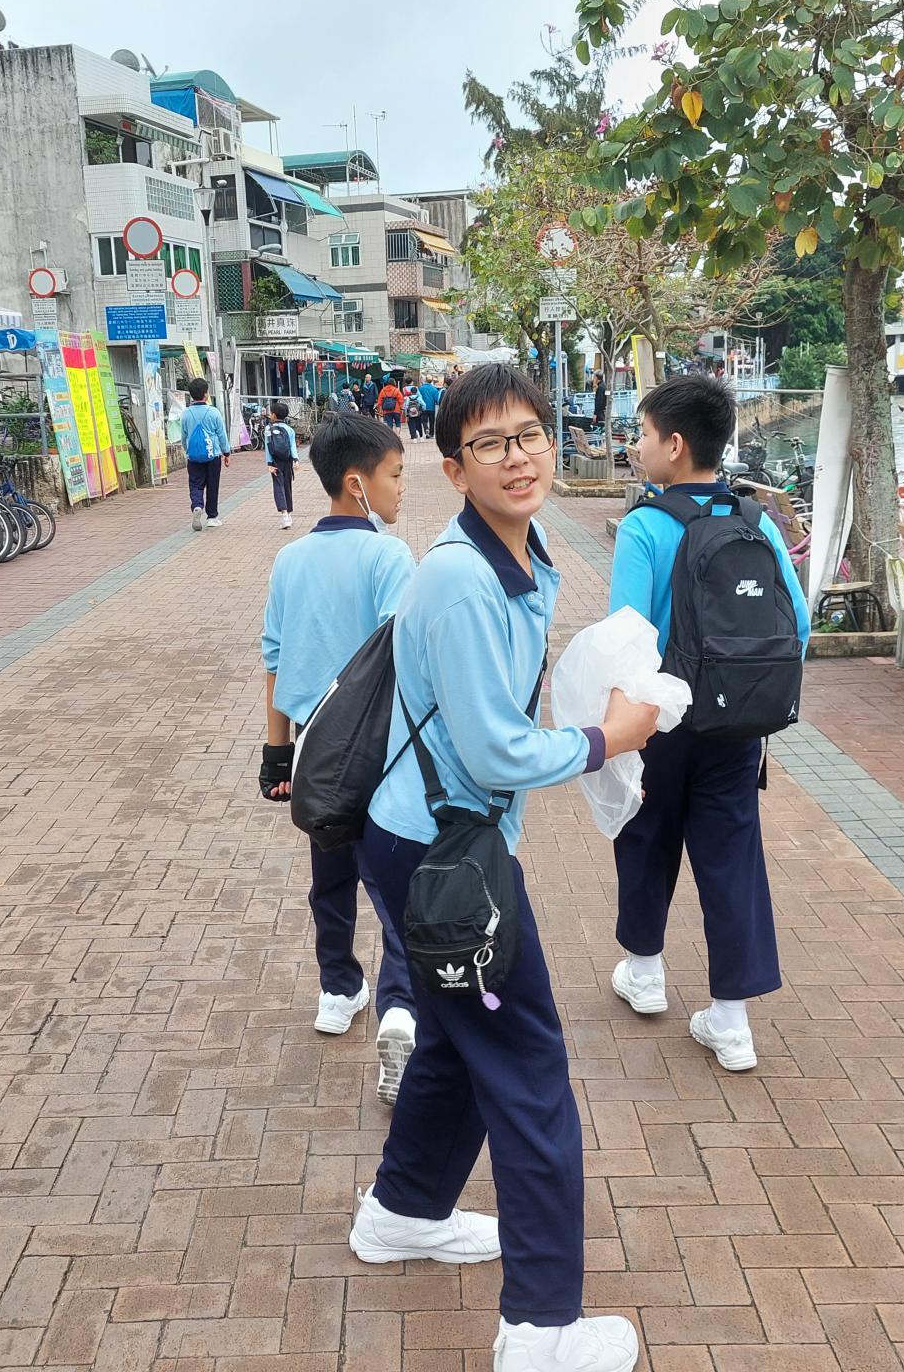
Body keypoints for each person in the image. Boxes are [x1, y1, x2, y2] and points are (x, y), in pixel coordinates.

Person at [348, 364, 660, 1372]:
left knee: (454, 1038)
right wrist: (608, 739)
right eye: (490, 443)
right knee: (527, 1070)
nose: (517, 457)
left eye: (529, 435)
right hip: (444, 854)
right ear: (454, 468)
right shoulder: (460, 577)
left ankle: (402, 1211)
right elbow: (492, 750)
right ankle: (542, 1326)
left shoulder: (517, 554)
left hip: (430, 838)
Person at [606, 375, 808, 1073]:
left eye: (642, 434)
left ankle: (645, 972)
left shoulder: (645, 526)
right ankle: (731, 1023)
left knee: (646, 838)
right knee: (732, 858)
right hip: (737, 724)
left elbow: (626, 640)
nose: (635, 447)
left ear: (675, 444)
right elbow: (797, 626)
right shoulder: (756, 522)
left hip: (661, 722)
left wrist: (616, 730)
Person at [260, 413, 419, 1100]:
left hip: (315, 751)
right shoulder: (389, 557)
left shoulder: (289, 560)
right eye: (394, 475)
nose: (401, 488)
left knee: (330, 874)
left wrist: (276, 755)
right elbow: (404, 658)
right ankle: (402, 1007)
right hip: (380, 749)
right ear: (357, 483)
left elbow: (274, 660)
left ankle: (336, 988)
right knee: (394, 882)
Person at [181, 377, 230, 531]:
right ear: (206, 394)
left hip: (194, 457)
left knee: (195, 484)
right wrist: (226, 452)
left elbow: (183, 437)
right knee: (212, 485)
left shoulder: (186, 414)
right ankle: (212, 517)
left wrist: (188, 451)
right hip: (213, 455)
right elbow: (221, 435)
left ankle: (197, 505)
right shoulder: (214, 412)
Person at [265, 400, 299, 530]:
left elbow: (268, 448)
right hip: (288, 461)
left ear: (274, 415)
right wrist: (295, 459)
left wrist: (269, 463)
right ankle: (289, 514)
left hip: (275, 462)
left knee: (278, 487)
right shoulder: (289, 429)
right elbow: (292, 446)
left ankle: (284, 515)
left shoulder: (268, 429)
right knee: (287, 486)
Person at [415, 375, 443, 443]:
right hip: (431, 407)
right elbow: (436, 399)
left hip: (423, 407)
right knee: (432, 421)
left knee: (424, 420)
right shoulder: (434, 389)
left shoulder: (421, 388)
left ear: (425, 380)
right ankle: (431, 434)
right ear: (431, 381)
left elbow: (418, 397)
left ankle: (426, 429)